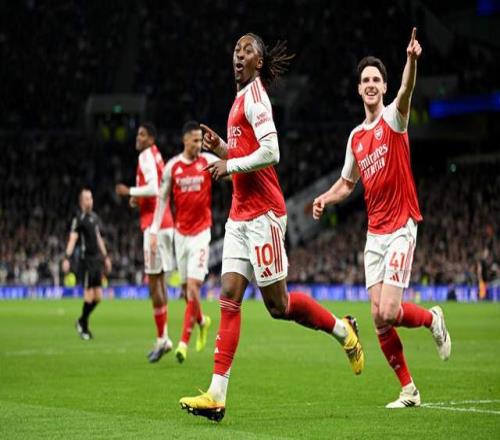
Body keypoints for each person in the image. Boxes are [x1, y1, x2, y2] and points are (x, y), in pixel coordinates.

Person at [179, 33, 364, 422]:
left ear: (258, 63)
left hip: (264, 213)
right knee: (229, 295)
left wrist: (229, 164)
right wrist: (223, 149)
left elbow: (272, 152)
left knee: (279, 306)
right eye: (235, 49)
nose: (238, 54)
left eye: (247, 50)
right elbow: (247, 152)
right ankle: (216, 394)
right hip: (239, 215)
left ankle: (342, 330)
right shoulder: (239, 99)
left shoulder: (256, 97)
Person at [312, 28, 451, 408]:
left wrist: (411, 60)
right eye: (366, 81)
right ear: (359, 90)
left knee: (390, 310)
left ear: (384, 87)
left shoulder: (394, 118)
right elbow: (347, 183)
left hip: (401, 225)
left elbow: (407, 89)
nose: (371, 85)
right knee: (378, 318)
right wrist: (325, 198)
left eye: (376, 80)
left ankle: (432, 319)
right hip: (374, 234)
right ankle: (409, 390)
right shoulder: (355, 137)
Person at [150, 121, 218, 363]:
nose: (199, 145)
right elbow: (162, 198)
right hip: (180, 235)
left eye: (201, 140)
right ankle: (202, 321)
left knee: (192, 288)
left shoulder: (208, 161)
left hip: (201, 233)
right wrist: (154, 230)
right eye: (195, 140)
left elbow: (232, 168)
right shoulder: (173, 167)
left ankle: (182, 344)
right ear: (185, 140)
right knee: (185, 292)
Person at [115, 122, 175, 363]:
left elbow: (153, 188)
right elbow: (157, 188)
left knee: (154, 283)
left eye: (142, 134)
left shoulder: (146, 156)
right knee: (158, 281)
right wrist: (138, 199)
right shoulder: (157, 155)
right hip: (165, 222)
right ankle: (164, 338)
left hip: (154, 226)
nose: (137, 137)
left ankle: (163, 338)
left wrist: (130, 191)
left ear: (151, 138)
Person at [62, 188, 111, 340]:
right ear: (81, 202)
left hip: (96, 260)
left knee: (99, 297)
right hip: (86, 261)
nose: (90, 201)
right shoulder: (79, 219)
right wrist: (66, 257)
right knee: (89, 295)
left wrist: (106, 257)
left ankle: (81, 321)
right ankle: (84, 328)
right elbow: (73, 239)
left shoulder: (95, 218)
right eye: (87, 199)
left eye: (91, 198)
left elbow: (98, 238)